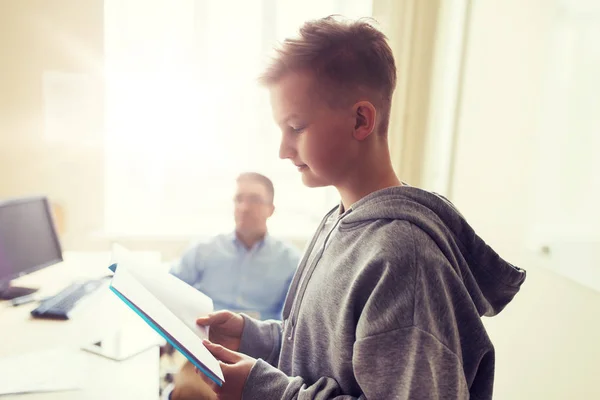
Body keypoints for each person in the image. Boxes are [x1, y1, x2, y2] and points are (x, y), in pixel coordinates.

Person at [194, 17, 526, 400]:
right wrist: (249, 335)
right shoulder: (340, 222)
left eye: (296, 127)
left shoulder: (404, 262)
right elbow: (317, 352)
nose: (283, 150)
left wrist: (265, 391)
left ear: (361, 119)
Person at [163, 172, 301, 400]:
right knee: (190, 392)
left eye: (254, 199)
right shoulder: (204, 250)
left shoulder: (291, 262)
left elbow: (291, 324)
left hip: (261, 358)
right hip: (205, 350)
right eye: (239, 199)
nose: (244, 207)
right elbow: (169, 290)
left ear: (271, 209)